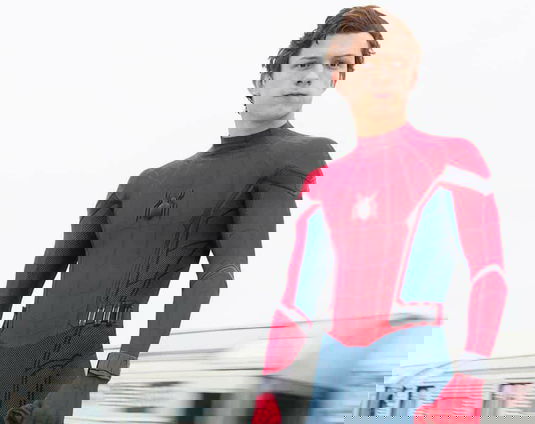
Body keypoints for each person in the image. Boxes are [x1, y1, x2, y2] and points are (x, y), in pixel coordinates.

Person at [0, 6, 380, 421]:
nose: (313, 77)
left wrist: (96, 377)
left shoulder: (300, 153)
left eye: (333, 70)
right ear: (272, 70)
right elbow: (51, 261)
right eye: (307, 63)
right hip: (14, 331)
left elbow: (216, 276)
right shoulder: (149, 178)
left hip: (63, 358)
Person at [257, 8, 507, 424]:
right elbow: (295, 305)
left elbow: (488, 272)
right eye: (367, 64)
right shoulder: (325, 183)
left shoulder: (451, 158)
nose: (383, 76)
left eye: (395, 62)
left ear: (413, 73)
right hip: (335, 369)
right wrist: (269, 392)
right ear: (340, 78)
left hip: (413, 363)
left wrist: (471, 373)